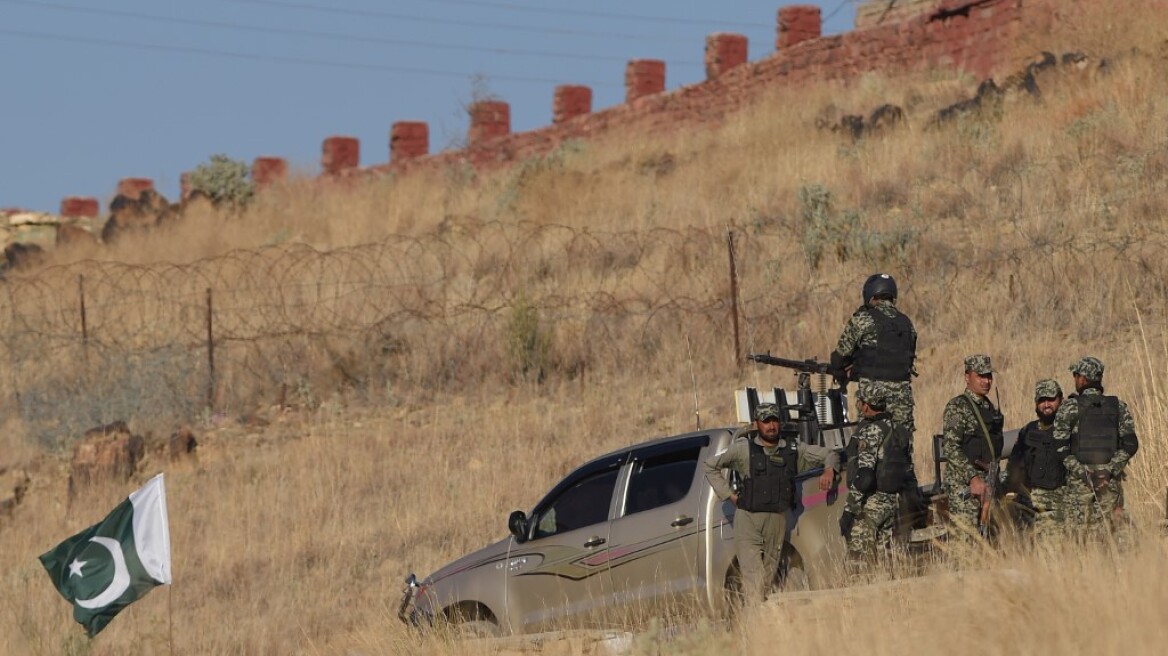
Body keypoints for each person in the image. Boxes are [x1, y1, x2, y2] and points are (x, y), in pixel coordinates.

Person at [703, 403, 839, 605]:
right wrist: (729, 495)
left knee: (766, 580)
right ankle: (755, 629)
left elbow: (831, 454)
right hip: (748, 520)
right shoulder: (743, 450)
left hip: (777, 521)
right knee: (754, 579)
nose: (771, 425)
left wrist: (830, 470)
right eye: (766, 421)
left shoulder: (793, 449)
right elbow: (710, 466)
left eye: (774, 420)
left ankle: (763, 625)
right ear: (757, 424)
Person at [1053, 356, 1139, 538]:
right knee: (1111, 535)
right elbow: (1131, 444)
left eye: (1076, 375)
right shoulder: (1118, 407)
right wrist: (1108, 470)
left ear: (1082, 379)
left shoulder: (1069, 408)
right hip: (1109, 485)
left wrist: (1083, 473)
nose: (1075, 379)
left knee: (1079, 538)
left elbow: (1060, 448)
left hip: (1079, 486)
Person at [831, 273, 918, 433]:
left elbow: (839, 357)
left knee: (870, 446)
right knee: (900, 446)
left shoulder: (863, 319)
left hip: (872, 398)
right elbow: (907, 359)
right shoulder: (907, 323)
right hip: (902, 399)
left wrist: (848, 370)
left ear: (869, 294)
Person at [839, 382, 913, 568]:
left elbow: (865, 477)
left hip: (872, 503)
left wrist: (849, 509)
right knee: (884, 560)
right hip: (891, 502)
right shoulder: (897, 429)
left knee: (860, 561)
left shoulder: (872, 431)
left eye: (860, 402)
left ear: (866, 405)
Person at [941, 354, 1005, 541]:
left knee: (990, 540)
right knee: (965, 543)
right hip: (965, 486)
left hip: (988, 483)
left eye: (989, 376)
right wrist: (972, 477)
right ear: (967, 377)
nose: (986, 381)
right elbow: (951, 447)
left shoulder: (989, 408)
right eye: (981, 376)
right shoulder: (958, 407)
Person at [1006, 379, 1067, 538]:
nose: (1047, 405)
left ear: (1061, 400)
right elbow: (1014, 464)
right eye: (1042, 400)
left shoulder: (1070, 428)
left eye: (1051, 399)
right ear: (1035, 403)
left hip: (1059, 505)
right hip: (1028, 505)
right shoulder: (1028, 431)